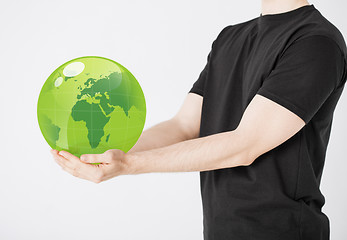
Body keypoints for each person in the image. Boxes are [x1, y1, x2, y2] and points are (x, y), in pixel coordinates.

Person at [51, 0, 347, 239]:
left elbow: (245, 144)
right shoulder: (229, 38)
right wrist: (110, 151)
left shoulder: (316, 42)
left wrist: (128, 165)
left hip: (282, 232)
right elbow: (184, 126)